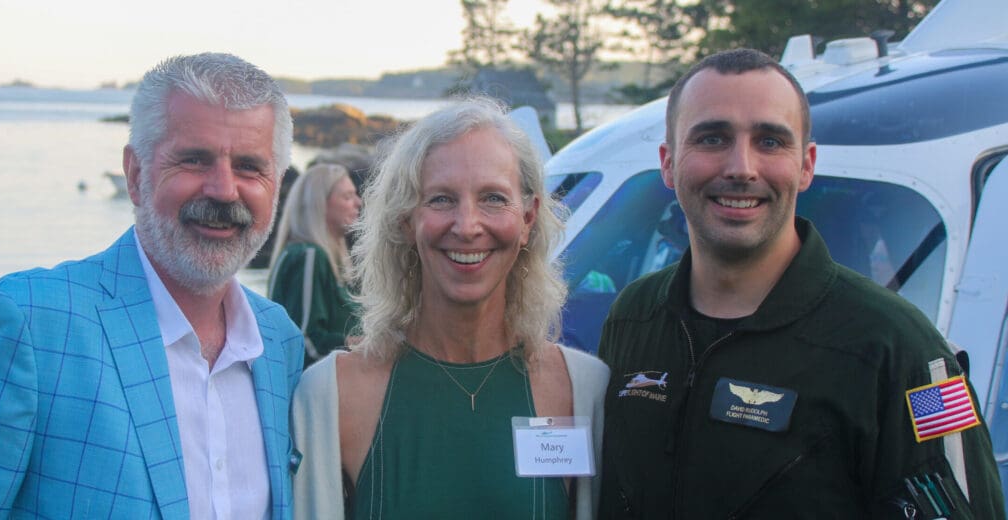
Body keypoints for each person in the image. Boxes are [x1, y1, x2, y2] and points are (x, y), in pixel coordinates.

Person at [0, 53, 304, 519]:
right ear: (136, 174)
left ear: (276, 186)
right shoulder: (29, 325)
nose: (223, 189)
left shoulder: (278, 342)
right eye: (194, 160)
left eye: (248, 167)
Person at [596, 48, 1005, 519]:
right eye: (712, 138)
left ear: (806, 164)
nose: (742, 167)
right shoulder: (633, 315)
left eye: (770, 141)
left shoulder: (905, 352)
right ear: (668, 163)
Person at [292, 98, 610, 519]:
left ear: (529, 218)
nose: (467, 226)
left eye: (494, 198)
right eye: (441, 199)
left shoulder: (584, 391)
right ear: (406, 220)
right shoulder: (330, 396)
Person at [268, 162, 362, 365]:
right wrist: (360, 344)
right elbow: (306, 341)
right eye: (347, 197)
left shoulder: (315, 255)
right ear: (319, 204)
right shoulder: (309, 256)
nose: (358, 203)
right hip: (315, 389)